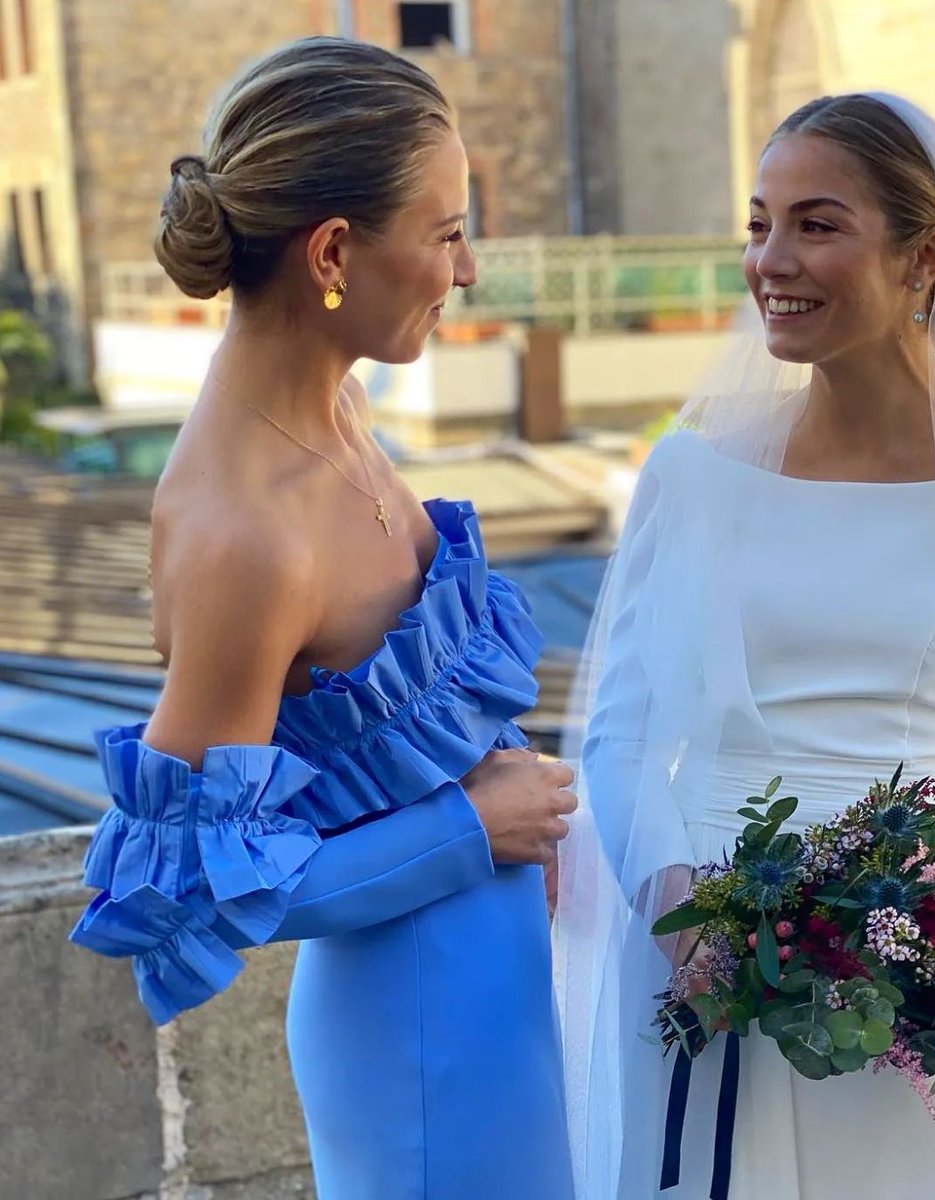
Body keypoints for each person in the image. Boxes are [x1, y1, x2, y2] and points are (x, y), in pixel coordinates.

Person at [554, 93, 935, 1199]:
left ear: (924, 256)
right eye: (758, 223)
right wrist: (676, 902)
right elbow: (620, 732)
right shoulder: (691, 477)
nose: (771, 261)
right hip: (708, 966)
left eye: (817, 225)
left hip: (912, 1016)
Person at [69, 37, 575, 1200]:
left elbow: (380, 734)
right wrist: (469, 826)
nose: (470, 269)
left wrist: (486, 789)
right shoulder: (245, 532)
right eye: (447, 233)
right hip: (417, 1046)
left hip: (492, 997)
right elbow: (187, 894)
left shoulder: (338, 403)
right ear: (336, 252)